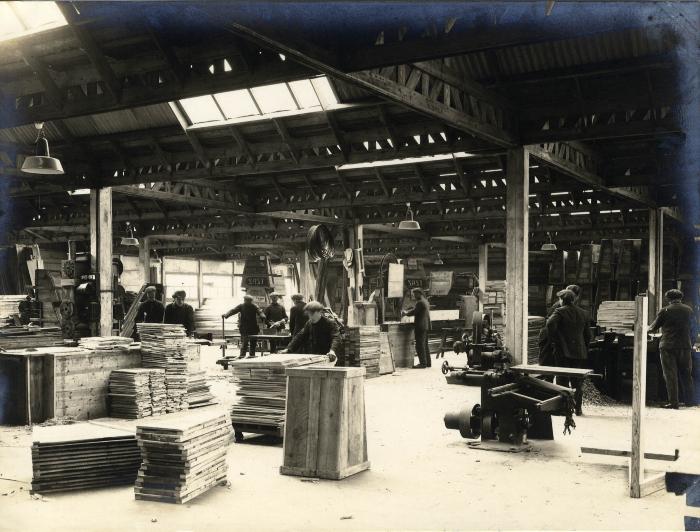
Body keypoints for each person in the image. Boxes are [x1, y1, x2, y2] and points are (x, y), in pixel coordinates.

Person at [546, 289, 592, 416]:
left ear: (562, 300)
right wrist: (584, 347)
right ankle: (578, 409)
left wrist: (554, 340)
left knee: (562, 379)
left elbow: (549, 324)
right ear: (573, 300)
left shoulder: (560, 311)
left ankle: (565, 409)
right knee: (577, 381)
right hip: (579, 352)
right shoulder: (584, 313)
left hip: (563, 352)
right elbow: (588, 335)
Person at [649, 289, 696, 409]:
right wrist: (691, 342)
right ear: (681, 298)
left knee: (670, 375)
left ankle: (673, 403)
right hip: (685, 346)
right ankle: (690, 402)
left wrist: (644, 328)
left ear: (668, 299)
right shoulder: (689, 310)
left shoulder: (665, 311)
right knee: (686, 374)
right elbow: (694, 329)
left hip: (668, 346)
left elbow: (653, 328)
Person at [402, 288, 432, 369]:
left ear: (419, 293)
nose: (414, 296)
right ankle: (428, 362)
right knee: (425, 344)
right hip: (426, 326)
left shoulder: (420, 302)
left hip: (420, 326)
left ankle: (422, 364)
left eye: (415, 294)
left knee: (419, 345)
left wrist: (405, 313)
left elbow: (415, 311)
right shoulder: (425, 301)